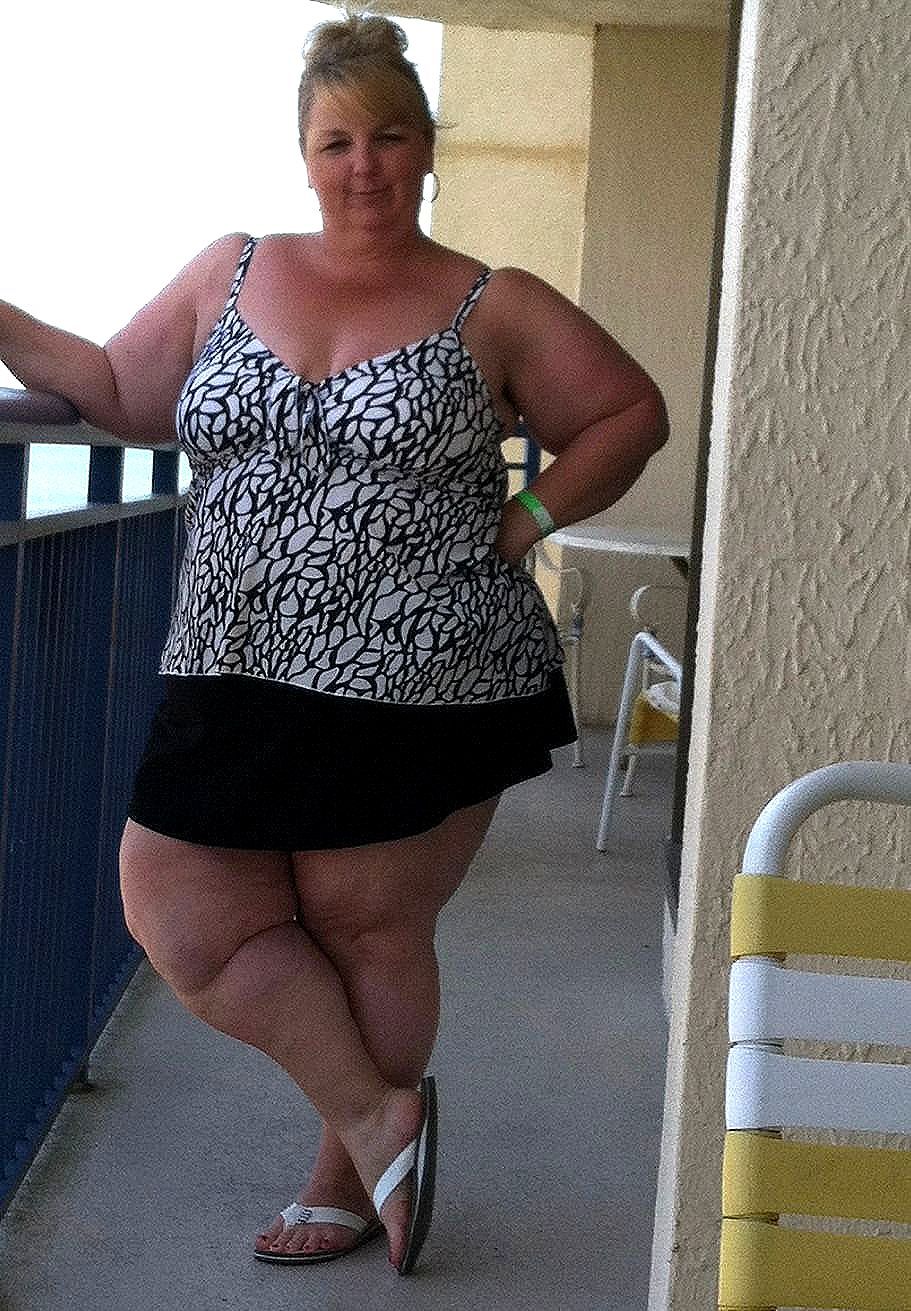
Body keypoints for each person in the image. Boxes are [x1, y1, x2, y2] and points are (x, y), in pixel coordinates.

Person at [0, 11, 668, 1276]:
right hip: (233, 653)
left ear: (427, 152)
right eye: (336, 140)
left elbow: (629, 411)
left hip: (421, 666)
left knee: (365, 926)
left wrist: (528, 515)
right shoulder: (231, 270)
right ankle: (379, 1119)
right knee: (181, 912)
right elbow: (125, 389)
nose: (362, 164)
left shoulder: (493, 301)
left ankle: (345, 1185)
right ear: (303, 156)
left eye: (389, 136)